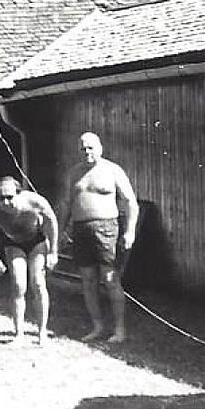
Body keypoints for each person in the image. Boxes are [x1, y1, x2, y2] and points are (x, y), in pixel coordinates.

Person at [61, 131, 139, 344]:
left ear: (100, 148)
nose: (87, 152)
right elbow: (67, 203)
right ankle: (98, 326)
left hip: (106, 229)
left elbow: (131, 202)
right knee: (88, 280)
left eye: (91, 148)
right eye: (83, 148)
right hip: (80, 229)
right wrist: (61, 229)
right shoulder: (74, 173)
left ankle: (120, 330)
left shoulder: (112, 170)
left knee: (110, 279)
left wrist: (129, 231)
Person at [0, 176, 59, 346]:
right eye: (1, 198)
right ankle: (19, 335)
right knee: (18, 285)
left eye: (9, 197)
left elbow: (51, 221)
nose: (6, 202)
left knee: (38, 283)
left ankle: (42, 333)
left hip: (37, 240)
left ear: (19, 194)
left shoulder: (35, 202)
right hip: (13, 243)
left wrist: (53, 251)